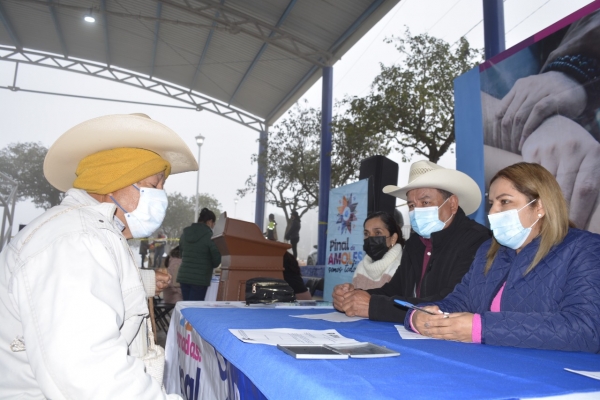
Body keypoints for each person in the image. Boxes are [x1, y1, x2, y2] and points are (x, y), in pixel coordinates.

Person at [0, 113, 197, 398]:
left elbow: (100, 284)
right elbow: (89, 373)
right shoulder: (75, 241)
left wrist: (147, 281)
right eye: (154, 186)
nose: (162, 198)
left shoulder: (91, 234)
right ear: (113, 182)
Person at [407, 162, 600, 353]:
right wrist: (417, 315)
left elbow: (586, 328)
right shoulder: (488, 252)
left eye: (504, 201)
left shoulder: (583, 249)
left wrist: (481, 328)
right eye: (492, 204)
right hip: (492, 365)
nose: (492, 212)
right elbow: (458, 301)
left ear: (540, 206)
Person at [332, 160, 491, 323]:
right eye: (411, 205)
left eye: (425, 202)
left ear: (452, 204)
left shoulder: (477, 240)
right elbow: (395, 289)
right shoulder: (415, 243)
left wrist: (374, 306)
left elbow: (451, 302)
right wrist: (353, 296)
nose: (416, 211)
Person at [177, 208, 222, 301]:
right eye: (213, 223)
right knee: (195, 307)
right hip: (200, 279)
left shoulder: (185, 234)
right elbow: (216, 259)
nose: (213, 226)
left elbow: (181, 252)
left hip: (184, 276)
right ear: (210, 222)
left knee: (187, 306)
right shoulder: (210, 235)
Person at [352, 211, 405, 290]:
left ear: (393, 238)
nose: (370, 238)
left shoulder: (402, 267)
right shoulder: (361, 266)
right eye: (366, 233)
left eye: (378, 233)